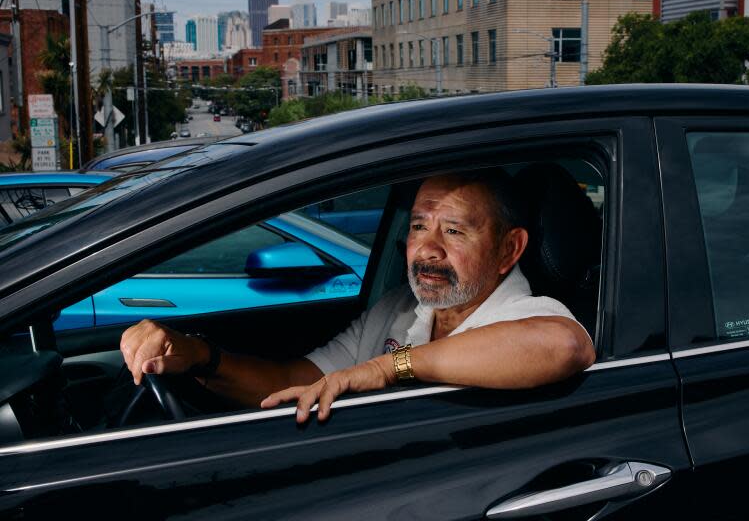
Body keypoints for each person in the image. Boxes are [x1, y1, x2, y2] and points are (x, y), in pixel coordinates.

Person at [120, 171, 596, 424]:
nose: (427, 249)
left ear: (508, 249)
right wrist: (199, 356)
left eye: (453, 231)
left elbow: (565, 347)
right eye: (417, 227)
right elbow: (294, 381)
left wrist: (385, 367)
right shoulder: (401, 308)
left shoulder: (527, 314)